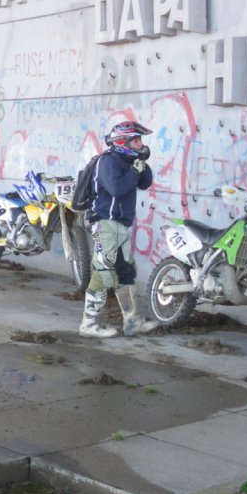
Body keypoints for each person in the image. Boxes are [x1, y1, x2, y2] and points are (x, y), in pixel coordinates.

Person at [79, 120, 160, 337]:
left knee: (125, 272)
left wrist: (142, 163)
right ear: (123, 142)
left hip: (121, 224)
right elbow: (117, 188)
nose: (140, 144)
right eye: (136, 140)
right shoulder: (108, 161)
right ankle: (88, 324)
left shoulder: (128, 161)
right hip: (105, 222)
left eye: (140, 140)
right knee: (104, 271)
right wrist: (133, 169)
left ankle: (132, 321)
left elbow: (144, 183)